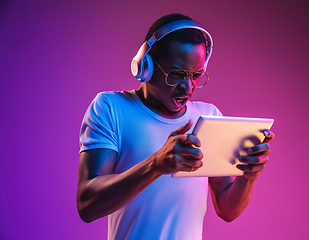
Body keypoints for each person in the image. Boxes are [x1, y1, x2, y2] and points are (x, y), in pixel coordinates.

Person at [77, 13, 274, 240]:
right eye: (178, 74)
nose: (188, 87)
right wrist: (156, 164)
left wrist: (248, 177)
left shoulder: (208, 116)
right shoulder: (110, 108)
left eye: (196, 75)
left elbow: (227, 209)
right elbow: (87, 204)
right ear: (146, 66)